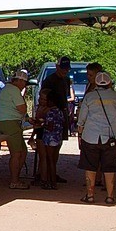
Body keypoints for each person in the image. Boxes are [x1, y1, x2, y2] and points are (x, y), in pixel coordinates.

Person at [75, 64, 116, 205]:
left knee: (90, 167)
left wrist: (80, 135)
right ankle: (110, 196)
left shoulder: (90, 97)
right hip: (111, 138)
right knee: (109, 167)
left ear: (96, 82)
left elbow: (81, 120)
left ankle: (90, 195)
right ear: (110, 82)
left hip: (90, 137)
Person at [33, 58, 73, 189]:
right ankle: (43, 176)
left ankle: (51, 175)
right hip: (48, 115)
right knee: (44, 153)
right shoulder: (49, 80)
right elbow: (43, 97)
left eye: (67, 69)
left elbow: (65, 98)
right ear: (57, 67)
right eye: (62, 69)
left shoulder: (66, 80)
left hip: (60, 115)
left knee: (56, 148)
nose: (64, 71)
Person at [0, 68, 33, 188]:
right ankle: (14, 181)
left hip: (8, 121)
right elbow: (22, 109)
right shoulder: (14, 90)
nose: (24, 86)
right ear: (20, 81)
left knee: (22, 151)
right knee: (17, 153)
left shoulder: (7, 89)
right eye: (24, 83)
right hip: (10, 122)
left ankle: (16, 177)